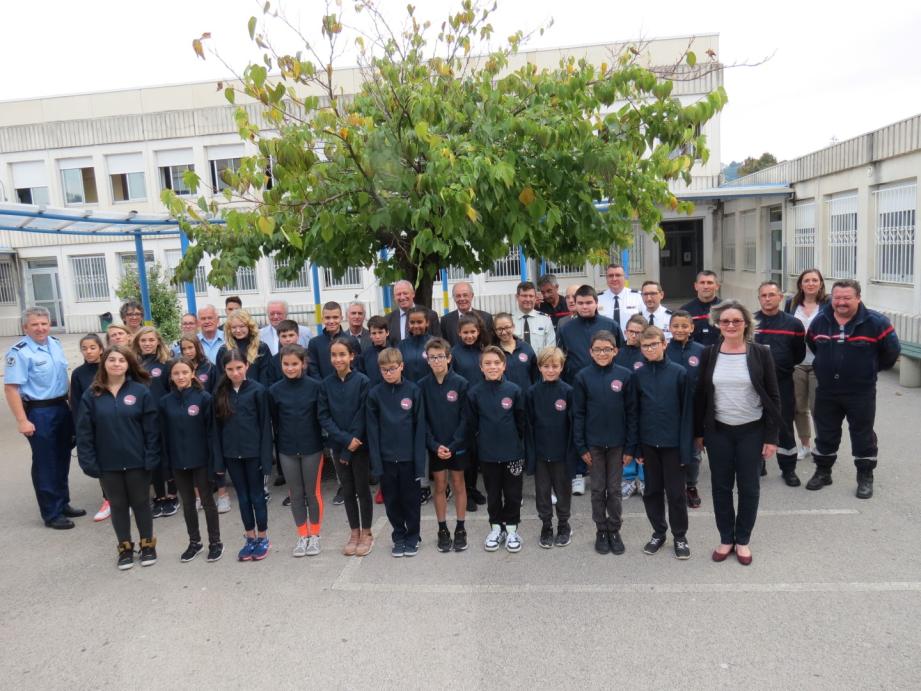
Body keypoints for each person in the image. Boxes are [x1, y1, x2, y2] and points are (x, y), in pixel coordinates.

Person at [694, 301, 782, 566]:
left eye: (736, 321)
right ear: (717, 325)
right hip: (718, 431)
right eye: (724, 321)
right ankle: (725, 538)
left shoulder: (760, 353)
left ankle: (742, 540)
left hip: (752, 431)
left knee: (749, 488)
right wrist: (699, 433)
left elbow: (774, 397)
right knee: (720, 487)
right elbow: (701, 397)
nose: (730, 325)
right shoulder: (709, 354)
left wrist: (771, 437)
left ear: (746, 324)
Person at [805, 279, 900, 499]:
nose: (841, 302)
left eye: (847, 298)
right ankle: (823, 472)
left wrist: (870, 370)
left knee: (863, 434)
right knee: (826, 433)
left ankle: (865, 477)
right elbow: (813, 344)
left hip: (861, 391)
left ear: (858, 297)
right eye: (837, 298)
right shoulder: (820, 321)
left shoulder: (877, 322)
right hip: (827, 390)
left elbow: (891, 352)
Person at [76, 345, 159, 569]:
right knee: (119, 506)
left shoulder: (140, 392)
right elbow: (84, 432)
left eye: (121, 360)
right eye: (111, 360)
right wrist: (88, 461)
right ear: (104, 363)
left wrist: (151, 456)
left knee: (141, 504)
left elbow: (152, 430)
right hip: (108, 464)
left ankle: (148, 545)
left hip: (137, 462)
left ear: (128, 364)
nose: (116, 364)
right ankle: (125, 548)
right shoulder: (92, 395)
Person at [4, 307, 83, 529]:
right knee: (45, 462)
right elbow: (11, 389)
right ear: (25, 327)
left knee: (62, 456)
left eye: (44, 323)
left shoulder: (55, 344)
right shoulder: (19, 352)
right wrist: (22, 420)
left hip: (60, 406)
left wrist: (71, 405)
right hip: (39, 412)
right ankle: (51, 513)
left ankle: (63, 502)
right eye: (35, 324)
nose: (40, 328)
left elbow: (62, 378)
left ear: (50, 324)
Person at [572, 330, 637, 556]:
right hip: (594, 446)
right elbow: (578, 414)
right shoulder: (582, 377)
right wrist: (581, 446)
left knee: (614, 489)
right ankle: (601, 529)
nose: (602, 353)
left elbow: (631, 414)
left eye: (607, 349)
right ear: (590, 352)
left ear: (615, 351)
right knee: (598, 489)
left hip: (618, 445)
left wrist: (630, 447)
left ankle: (614, 529)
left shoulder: (625, 376)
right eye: (598, 349)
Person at [556, 284, 621, 495]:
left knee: (603, 424)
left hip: (606, 385)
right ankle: (577, 474)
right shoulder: (566, 328)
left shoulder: (610, 325)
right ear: (575, 304)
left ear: (596, 303)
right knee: (577, 425)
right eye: (580, 303)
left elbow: (619, 352)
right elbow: (561, 357)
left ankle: (603, 471)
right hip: (577, 386)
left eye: (588, 302)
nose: (584, 307)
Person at [634, 326, 692, 560]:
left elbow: (688, 413)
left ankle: (680, 535)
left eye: (654, 344)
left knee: (676, 493)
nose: (650, 349)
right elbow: (635, 413)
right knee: (652, 491)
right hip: (648, 444)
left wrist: (685, 449)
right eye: (645, 346)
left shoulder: (679, 373)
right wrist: (637, 446)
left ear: (664, 344)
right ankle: (659, 532)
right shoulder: (637, 375)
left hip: (673, 445)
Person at [158, 357, 224, 563]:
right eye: (176, 373)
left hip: (201, 460)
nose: (181, 377)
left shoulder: (204, 398)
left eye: (185, 372)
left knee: (207, 501)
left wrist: (216, 462)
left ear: (192, 373)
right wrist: (166, 465)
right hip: (178, 461)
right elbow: (163, 435)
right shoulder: (165, 402)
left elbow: (212, 433)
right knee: (188, 503)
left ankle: (215, 542)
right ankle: (194, 542)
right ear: (171, 376)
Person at [213, 349, 273, 561]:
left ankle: (263, 536)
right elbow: (216, 430)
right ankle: (250, 537)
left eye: (239, 368)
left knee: (257, 497)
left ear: (247, 366)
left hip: (254, 454)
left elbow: (266, 427)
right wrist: (219, 461)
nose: (235, 373)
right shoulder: (220, 393)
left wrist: (267, 461)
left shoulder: (258, 391)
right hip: (231, 455)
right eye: (230, 369)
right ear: (224, 370)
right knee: (243, 498)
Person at [467, 346, 527, 553]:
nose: (492, 367)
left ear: (504, 365)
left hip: (512, 453)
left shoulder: (514, 390)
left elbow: (521, 423)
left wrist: (515, 444)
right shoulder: (474, 393)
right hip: (488, 454)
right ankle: (495, 528)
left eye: (496, 363)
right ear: (481, 367)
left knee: (512, 494)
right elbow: (472, 425)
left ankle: (511, 530)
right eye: (487, 363)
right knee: (493, 494)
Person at [367, 348, 426, 557]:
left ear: (402, 366)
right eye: (384, 370)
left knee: (411, 500)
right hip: (386, 459)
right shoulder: (375, 394)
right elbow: (372, 431)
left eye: (392, 368)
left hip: (409, 459)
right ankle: (399, 536)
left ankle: (413, 536)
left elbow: (420, 429)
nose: (388, 373)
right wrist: (376, 462)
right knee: (392, 501)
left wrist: (420, 463)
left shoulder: (413, 391)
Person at [269, 344, 326, 557]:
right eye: (286, 364)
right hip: (286, 449)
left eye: (295, 364)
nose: (290, 368)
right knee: (295, 494)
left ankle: (316, 535)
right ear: (281, 364)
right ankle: (302, 535)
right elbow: (275, 420)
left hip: (312, 448)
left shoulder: (316, 387)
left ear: (303, 364)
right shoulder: (274, 391)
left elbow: (321, 417)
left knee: (313, 493)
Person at [318, 337, 373, 557]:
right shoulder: (325, 384)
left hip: (359, 445)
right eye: (334, 355)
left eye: (342, 354)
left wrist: (352, 442)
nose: (338, 359)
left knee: (362, 489)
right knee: (347, 490)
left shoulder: (363, 381)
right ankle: (354, 531)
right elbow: (324, 416)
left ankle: (367, 532)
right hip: (339, 446)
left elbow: (363, 413)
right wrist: (343, 440)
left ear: (352, 356)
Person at [419, 337, 469, 552]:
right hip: (436, 446)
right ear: (427, 360)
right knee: (439, 486)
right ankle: (442, 529)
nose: (437, 361)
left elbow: (466, 419)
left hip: (457, 446)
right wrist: (434, 444)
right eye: (432, 357)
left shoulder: (461, 384)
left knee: (458, 484)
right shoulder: (422, 386)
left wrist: (454, 444)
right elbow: (422, 421)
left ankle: (460, 528)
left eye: (440, 356)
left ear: (449, 358)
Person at [754, 280, 807, 485]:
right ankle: (759, 463)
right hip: (755, 384)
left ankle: (788, 468)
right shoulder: (750, 321)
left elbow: (798, 354)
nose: (767, 299)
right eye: (763, 295)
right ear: (759, 298)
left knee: (784, 424)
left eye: (771, 295)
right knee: (756, 423)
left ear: (780, 297)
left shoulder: (793, 324)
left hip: (782, 382)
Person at [526, 347, 574, 549]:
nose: (551, 370)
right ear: (539, 367)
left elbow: (573, 426)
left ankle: (563, 524)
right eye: (546, 366)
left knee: (563, 491)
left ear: (562, 367)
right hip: (540, 453)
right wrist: (531, 454)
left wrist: (572, 454)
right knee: (543, 492)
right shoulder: (531, 393)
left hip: (562, 453)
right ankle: (546, 525)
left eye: (555, 366)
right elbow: (528, 425)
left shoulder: (569, 392)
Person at [133, 326, 178, 518]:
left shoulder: (167, 363)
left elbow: (174, 391)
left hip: (164, 418)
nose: (147, 343)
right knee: (153, 458)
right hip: (143, 420)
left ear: (158, 341)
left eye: (151, 340)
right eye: (143, 340)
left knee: (168, 457)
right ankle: (159, 496)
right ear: (137, 343)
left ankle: (172, 495)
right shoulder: (133, 365)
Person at [785, 269, 828, 459]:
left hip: (820, 362)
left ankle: (823, 445)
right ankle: (805, 445)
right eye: (806, 280)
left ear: (820, 283)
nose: (810, 284)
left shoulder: (828, 304)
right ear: (801, 284)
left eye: (814, 280)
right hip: (797, 363)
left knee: (819, 407)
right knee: (799, 407)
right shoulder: (791, 304)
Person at [666, 310, 706, 509]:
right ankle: (674, 487)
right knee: (671, 451)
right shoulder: (664, 349)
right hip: (670, 410)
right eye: (676, 326)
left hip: (694, 410)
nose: (680, 330)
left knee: (693, 452)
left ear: (691, 328)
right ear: (669, 327)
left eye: (684, 326)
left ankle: (691, 485)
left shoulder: (701, 351)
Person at [70, 333, 110, 523]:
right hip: (92, 426)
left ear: (101, 349)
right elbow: (76, 404)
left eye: (92, 347)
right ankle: (108, 499)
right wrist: (80, 430)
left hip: (112, 423)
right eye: (84, 348)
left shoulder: (110, 367)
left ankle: (126, 500)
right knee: (101, 463)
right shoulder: (78, 374)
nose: (88, 351)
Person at [450, 312, 488, 512]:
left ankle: (473, 488)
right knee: (465, 454)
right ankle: (465, 490)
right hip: (463, 409)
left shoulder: (483, 351)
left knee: (476, 454)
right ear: (459, 333)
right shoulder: (454, 353)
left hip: (482, 407)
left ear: (478, 331)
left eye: (473, 332)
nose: (469, 336)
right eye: (465, 332)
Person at [616, 315, 648, 499]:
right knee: (627, 442)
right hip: (622, 406)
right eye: (631, 331)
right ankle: (628, 479)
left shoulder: (647, 353)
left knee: (642, 443)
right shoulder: (618, 353)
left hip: (643, 405)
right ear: (625, 331)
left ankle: (643, 479)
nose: (634, 335)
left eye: (639, 332)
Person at [216, 309, 273, 387]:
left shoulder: (261, 348)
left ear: (249, 326)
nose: (238, 330)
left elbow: (266, 377)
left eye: (242, 326)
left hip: (256, 394)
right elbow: (221, 378)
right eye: (234, 327)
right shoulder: (224, 350)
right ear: (229, 329)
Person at [308, 302, 361, 382]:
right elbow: (313, 370)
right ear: (322, 319)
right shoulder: (314, 343)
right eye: (327, 318)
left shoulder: (352, 341)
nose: (331, 321)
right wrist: (323, 387)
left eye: (335, 317)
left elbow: (357, 367)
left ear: (341, 318)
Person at [493, 312, 538, 393]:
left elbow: (536, 376)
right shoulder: (493, 352)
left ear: (513, 327)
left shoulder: (526, 348)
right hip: (505, 400)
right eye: (499, 329)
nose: (503, 332)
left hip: (526, 398)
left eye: (507, 327)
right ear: (495, 331)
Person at [439, 281, 494, 347]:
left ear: (472, 296)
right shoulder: (445, 320)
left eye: (465, 295)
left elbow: (490, 344)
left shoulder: (486, 318)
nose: (462, 299)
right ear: (453, 298)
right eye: (458, 296)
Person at [597, 263, 644, 335]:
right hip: (606, 343)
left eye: (618, 275)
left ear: (624, 277)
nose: (614, 279)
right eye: (610, 276)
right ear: (606, 278)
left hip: (631, 343)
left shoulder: (638, 297)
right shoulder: (598, 299)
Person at [680, 270, 722, 347]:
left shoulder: (725, 309)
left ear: (717, 286)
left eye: (710, 283)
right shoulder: (685, 310)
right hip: (693, 355)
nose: (705, 286)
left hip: (719, 353)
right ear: (696, 286)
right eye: (702, 283)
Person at [511, 281, 555, 351]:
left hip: (540, 361)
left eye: (531, 296)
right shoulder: (509, 320)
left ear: (535, 298)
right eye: (524, 296)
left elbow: (551, 349)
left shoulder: (545, 320)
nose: (528, 299)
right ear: (517, 297)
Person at [397, 306, 434, 383]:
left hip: (430, 390)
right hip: (409, 391)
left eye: (419, 322)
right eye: (412, 322)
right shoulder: (401, 346)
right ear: (408, 323)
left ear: (427, 323)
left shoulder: (435, 343)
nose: (416, 326)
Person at [360, 315, 389, 388]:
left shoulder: (396, 351)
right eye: (374, 333)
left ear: (387, 332)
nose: (377, 336)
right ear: (370, 335)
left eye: (380, 332)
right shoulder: (365, 355)